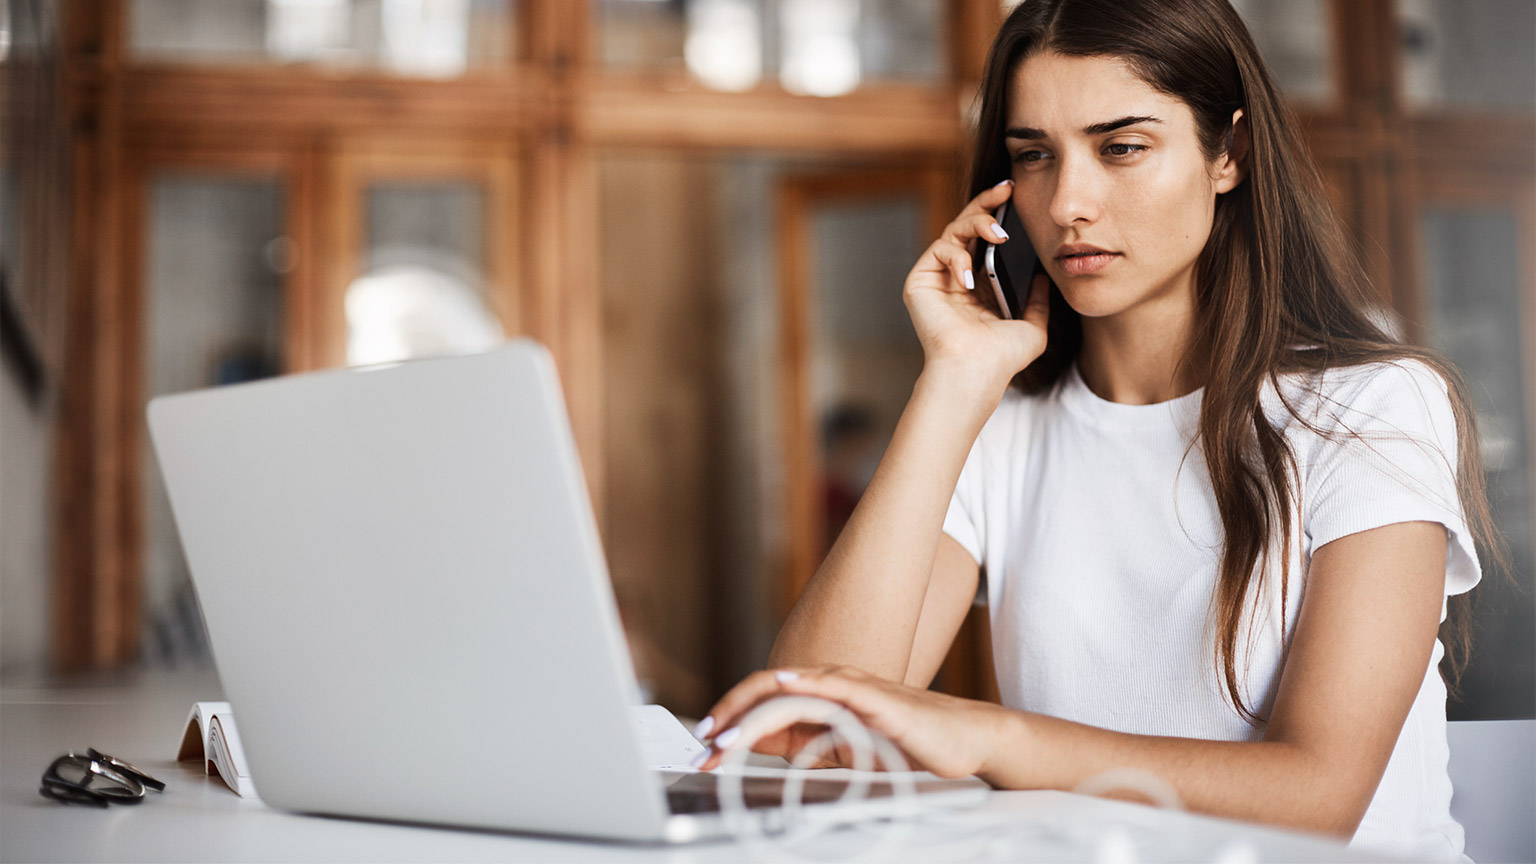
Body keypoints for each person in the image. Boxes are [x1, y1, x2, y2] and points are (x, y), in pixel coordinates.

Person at [690, 1, 1502, 861]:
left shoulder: (1373, 406)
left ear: (1230, 154)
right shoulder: (1001, 422)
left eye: (1121, 147)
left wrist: (995, 742)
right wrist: (955, 383)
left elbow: (1316, 798)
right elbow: (806, 730)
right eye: (1034, 155)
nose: (1068, 202)